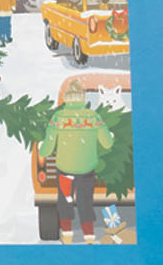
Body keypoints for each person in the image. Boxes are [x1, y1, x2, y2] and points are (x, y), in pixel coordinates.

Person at [39, 79, 114, 244]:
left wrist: (42, 151)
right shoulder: (93, 117)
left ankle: (67, 234)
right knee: (85, 202)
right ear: (83, 99)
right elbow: (107, 143)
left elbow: (48, 147)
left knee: (65, 200)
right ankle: (89, 236)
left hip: (65, 169)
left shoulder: (58, 118)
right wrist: (110, 136)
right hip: (87, 169)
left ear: (67, 98)